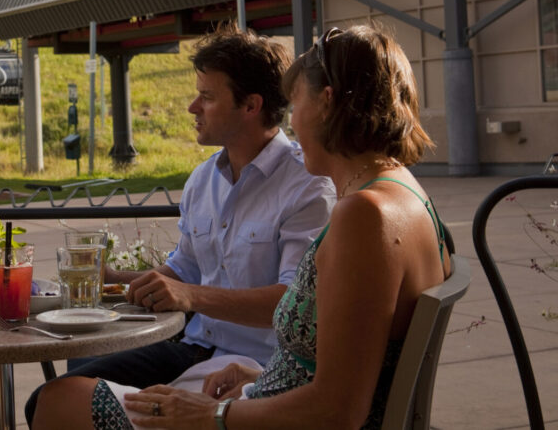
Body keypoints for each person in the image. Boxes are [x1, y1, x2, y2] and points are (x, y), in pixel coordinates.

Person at [38, 25, 451, 429]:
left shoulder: (364, 215)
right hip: (257, 393)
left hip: (256, 416)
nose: (292, 123)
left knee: (60, 402)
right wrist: (257, 383)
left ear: (325, 104)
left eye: (296, 104)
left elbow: (337, 412)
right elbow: (337, 371)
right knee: (72, 389)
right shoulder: (406, 196)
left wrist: (209, 415)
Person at [27, 26, 336, 424]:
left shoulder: (306, 186)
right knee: (46, 397)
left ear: (250, 106)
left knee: (60, 403)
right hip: (192, 348)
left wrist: (191, 296)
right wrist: (114, 278)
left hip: (254, 367)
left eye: (207, 97)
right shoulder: (203, 179)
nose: (192, 107)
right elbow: (184, 271)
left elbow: (290, 302)